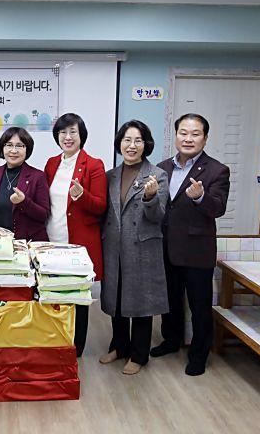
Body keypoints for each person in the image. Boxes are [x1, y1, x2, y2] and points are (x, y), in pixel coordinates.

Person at [150, 113, 230, 376]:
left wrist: (201, 197)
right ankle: (171, 341)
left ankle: (198, 356)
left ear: (205, 138)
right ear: (175, 136)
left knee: (199, 307)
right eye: (183, 133)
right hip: (167, 248)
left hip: (197, 252)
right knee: (170, 301)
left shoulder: (217, 170)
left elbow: (218, 208)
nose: (188, 138)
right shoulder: (162, 167)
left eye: (195, 134)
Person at [99, 120, 169, 375]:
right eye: (127, 140)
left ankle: (139, 355)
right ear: (119, 144)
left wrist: (150, 197)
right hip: (113, 247)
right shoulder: (110, 175)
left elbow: (158, 216)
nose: (131, 145)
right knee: (116, 298)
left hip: (142, 248)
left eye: (137, 140)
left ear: (146, 144)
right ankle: (119, 346)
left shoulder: (157, 175)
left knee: (141, 301)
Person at [44, 113, 107, 357]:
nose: (67, 137)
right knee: (53, 293)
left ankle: (76, 348)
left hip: (78, 244)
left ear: (82, 136)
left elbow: (100, 206)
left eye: (73, 132)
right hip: (52, 240)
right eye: (63, 132)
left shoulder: (94, 165)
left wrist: (82, 196)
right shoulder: (52, 163)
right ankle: (55, 341)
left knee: (78, 296)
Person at [0, 127, 50, 241]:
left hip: (28, 243)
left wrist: (24, 202)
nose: (13, 150)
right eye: (9, 145)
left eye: (19, 146)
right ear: (2, 148)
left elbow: (44, 215)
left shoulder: (38, 176)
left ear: (27, 149)